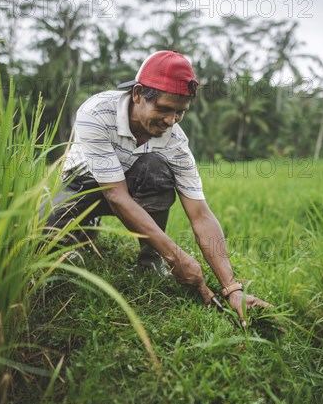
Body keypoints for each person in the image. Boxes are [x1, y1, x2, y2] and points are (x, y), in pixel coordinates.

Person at [45, 50, 271, 327]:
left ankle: (150, 259)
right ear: (138, 93)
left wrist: (232, 288)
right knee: (47, 237)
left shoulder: (175, 142)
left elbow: (200, 214)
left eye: (180, 112)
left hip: (134, 189)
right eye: (164, 109)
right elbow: (115, 195)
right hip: (83, 184)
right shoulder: (97, 113)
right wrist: (176, 255)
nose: (170, 121)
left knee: (155, 167)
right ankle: (84, 228)